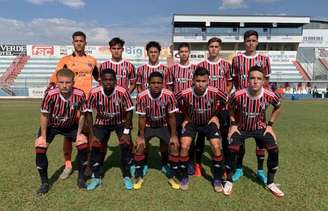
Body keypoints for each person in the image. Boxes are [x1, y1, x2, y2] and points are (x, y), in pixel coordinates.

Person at [223, 66, 284, 197]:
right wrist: (233, 124)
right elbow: (229, 106)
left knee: (274, 149)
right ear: (247, 80)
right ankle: (228, 180)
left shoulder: (269, 95)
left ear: (263, 81)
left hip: (260, 128)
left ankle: (271, 182)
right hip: (241, 129)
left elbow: (278, 107)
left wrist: (270, 125)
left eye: (259, 78)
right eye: (252, 78)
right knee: (231, 149)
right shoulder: (238, 95)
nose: (255, 81)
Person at [48, 31, 98, 180]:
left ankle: (87, 163)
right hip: (70, 104)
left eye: (81, 41)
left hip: (86, 103)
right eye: (76, 41)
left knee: (88, 135)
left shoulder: (92, 61)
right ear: (73, 43)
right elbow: (55, 79)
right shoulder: (65, 61)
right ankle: (68, 165)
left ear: (85, 43)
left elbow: (100, 77)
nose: (79, 43)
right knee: (68, 135)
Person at [35, 68, 89, 196]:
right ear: (57, 82)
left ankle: (81, 179)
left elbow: (82, 115)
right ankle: (44, 183)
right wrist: (43, 136)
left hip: (71, 126)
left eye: (68, 82)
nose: (65, 85)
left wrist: (79, 133)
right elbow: (44, 115)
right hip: (52, 126)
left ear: (73, 82)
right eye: (62, 82)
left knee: (83, 145)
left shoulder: (79, 94)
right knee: (40, 148)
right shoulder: (50, 94)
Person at [177, 67, 227, 192]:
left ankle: (216, 179)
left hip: (208, 122)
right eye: (198, 80)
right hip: (192, 122)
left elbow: (226, 101)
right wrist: (185, 116)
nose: (200, 84)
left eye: (203, 81)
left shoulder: (215, 91)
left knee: (216, 146)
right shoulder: (185, 92)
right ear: (193, 80)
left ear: (208, 81)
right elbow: (175, 101)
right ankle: (184, 177)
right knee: (184, 146)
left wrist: (216, 114)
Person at [230, 30, 271, 183]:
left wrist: (264, 100)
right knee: (240, 139)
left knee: (260, 139)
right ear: (244, 42)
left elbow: (266, 82)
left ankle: (260, 170)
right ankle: (239, 168)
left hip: (259, 106)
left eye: (254, 40)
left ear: (257, 42)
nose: (251, 43)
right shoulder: (237, 60)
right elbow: (234, 81)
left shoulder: (264, 59)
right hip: (241, 106)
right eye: (248, 40)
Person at [85, 68, 134, 190]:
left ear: (115, 81)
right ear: (101, 81)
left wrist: (126, 132)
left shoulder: (122, 92)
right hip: (102, 123)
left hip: (120, 122)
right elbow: (89, 112)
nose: (108, 82)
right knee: (95, 145)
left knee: (125, 145)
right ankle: (96, 177)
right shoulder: (94, 92)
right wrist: (92, 134)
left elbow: (129, 111)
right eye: (105, 80)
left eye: (111, 80)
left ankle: (127, 175)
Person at [133, 71, 179, 190]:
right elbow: (142, 117)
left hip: (163, 125)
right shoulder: (142, 96)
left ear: (163, 83)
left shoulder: (169, 95)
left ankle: (172, 174)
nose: (156, 85)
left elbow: (172, 116)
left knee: (173, 145)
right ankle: (139, 174)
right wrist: (141, 136)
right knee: (140, 145)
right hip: (148, 125)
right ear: (148, 83)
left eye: (159, 82)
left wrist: (173, 135)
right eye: (153, 82)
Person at [195, 37, 233, 177]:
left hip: (222, 108)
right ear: (208, 48)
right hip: (204, 108)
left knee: (223, 136)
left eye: (216, 46)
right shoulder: (201, 65)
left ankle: (223, 165)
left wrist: (223, 96)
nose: (214, 49)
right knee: (200, 136)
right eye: (211, 46)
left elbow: (229, 84)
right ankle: (197, 164)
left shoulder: (226, 65)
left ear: (220, 48)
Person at [135, 41, 172, 176]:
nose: (153, 54)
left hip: (162, 111)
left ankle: (164, 164)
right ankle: (144, 164)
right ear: (147, 53)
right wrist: (143, 99)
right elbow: (139, 87)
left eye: (155, 52)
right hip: (146, 110)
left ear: (159, 53)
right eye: (151, 52)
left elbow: (168, 88)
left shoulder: (165, 69)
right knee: (143, 139)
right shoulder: (141, 69)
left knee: (164, 142)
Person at [169, 42, 197, 175]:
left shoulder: (195, 68)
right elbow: (169, 89)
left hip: (191, 111)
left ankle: (189, 163)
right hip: (176, 110)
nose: (184, 54)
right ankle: (174, 162)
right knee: (175, 137)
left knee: (189, 138)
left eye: (186, 51)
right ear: (178, 53)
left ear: (189, 52)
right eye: (182, 51)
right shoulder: (173, 69)